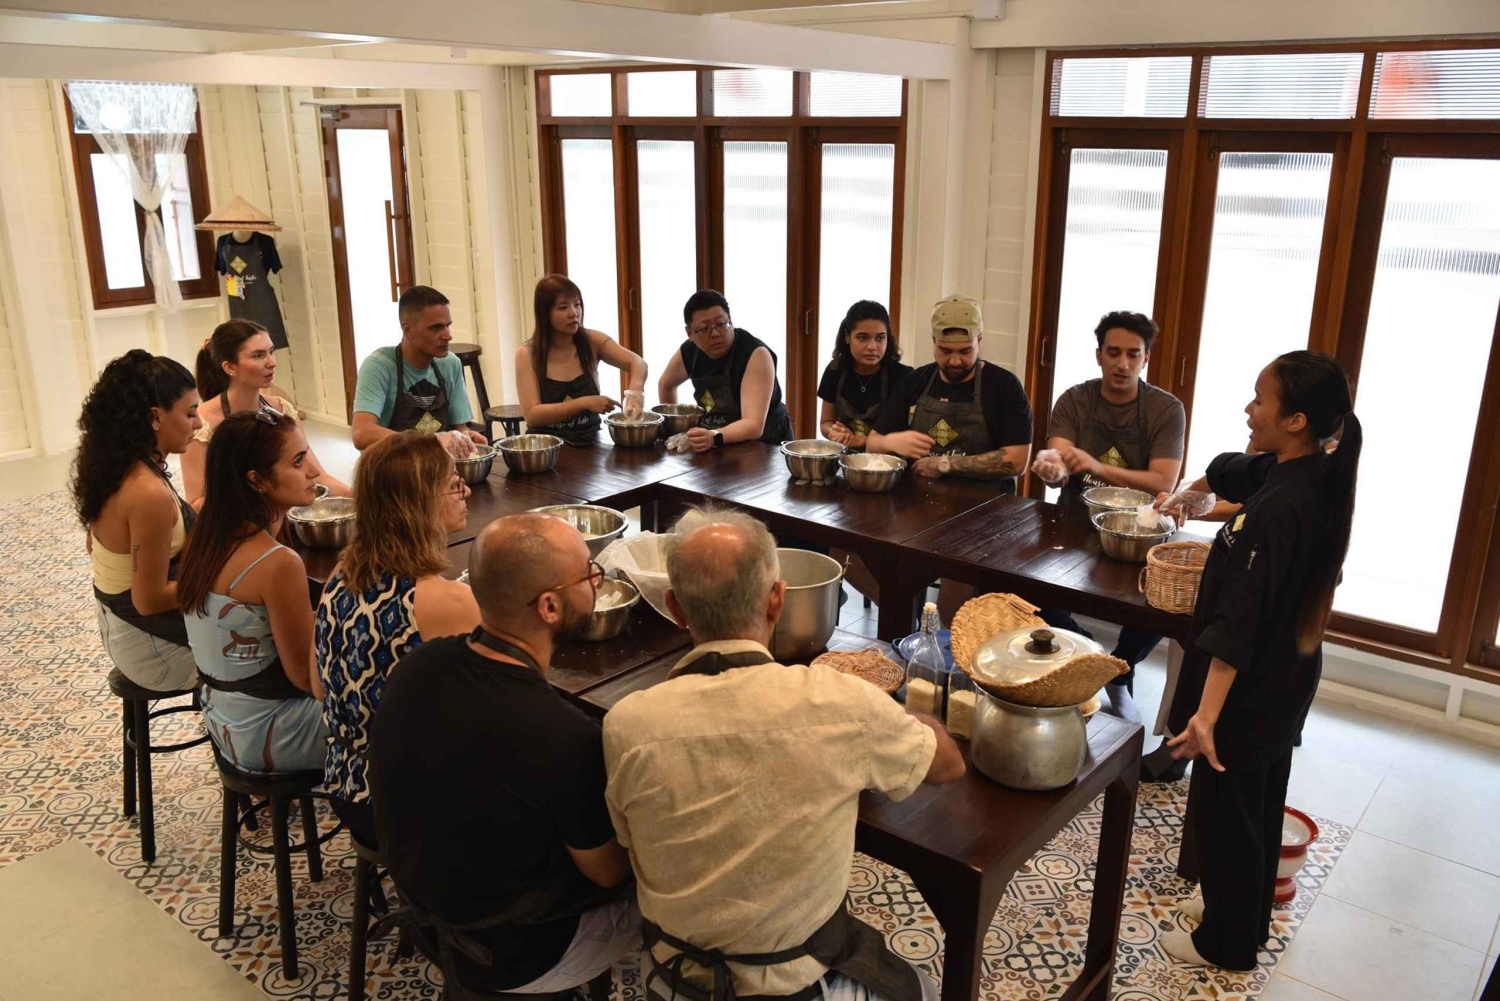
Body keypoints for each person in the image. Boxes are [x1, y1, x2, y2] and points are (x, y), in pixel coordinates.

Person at [602, 508, 964, 1001]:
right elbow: (947, 765)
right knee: (920, 986)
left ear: (675, 608)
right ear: (777, 600)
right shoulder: (843, 703)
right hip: (796, 984)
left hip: (673, 982)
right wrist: (904, 718)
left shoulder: (626, 723)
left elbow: (626, 848)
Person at [369, 514, 636, 993]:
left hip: (430, 918)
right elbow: (607, 871)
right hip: (521, 954)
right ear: (550, 607)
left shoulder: (417, 665)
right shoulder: (563, 733)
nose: (596, 581)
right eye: (588, 574)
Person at [1157, 351, 1362, 972]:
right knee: (1259, 802)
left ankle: (1227, 944)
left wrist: (1205, 717)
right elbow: (1231, 468)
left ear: (1296, 419)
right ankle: (1236, 907)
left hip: (1248, 689)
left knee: (1229, 814)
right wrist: (1195, 492)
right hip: (1287, 677)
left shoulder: (1279, 509)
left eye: (1259, 401)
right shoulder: (1307, 475)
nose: (1248, 411)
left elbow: (1236, 626)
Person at [309, 432, 481, 846]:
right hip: (410, 800)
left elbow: (318, 686)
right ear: (419, 504)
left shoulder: (341, 573)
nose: (466, 491)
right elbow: (495, 711)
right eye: (453, 484)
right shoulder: (444, 600)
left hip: (347, 786)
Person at [1030, 310, 1186, 725]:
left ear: (1146, 358)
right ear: (1098, 355)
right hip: (1075, 525)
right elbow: (1059, 457)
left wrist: (1096, 466)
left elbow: (1162, 481)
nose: (1122, 364)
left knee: (1165, 604)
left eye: (1133, 355)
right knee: (1022, 586)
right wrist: (1053, 467)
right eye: (1113, 353)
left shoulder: (1166, 410)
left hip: (1143, 534)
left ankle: (1120, 668)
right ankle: (1092, 655)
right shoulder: (1075, 400)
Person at [177, 411, 328, 773]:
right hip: (268, 733)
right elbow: (308, 680)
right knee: (406, 711)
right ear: (257, 480)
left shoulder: (206, 537)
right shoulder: (277, 564)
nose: (313, 471)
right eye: (297, 461)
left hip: (223, 720)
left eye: (307, 455)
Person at [75, 350, 202, 692]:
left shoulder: (114, 464)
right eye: (190, 413)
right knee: (269, 650)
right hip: (154, 653)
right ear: (155, 417)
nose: (199, 423)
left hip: (120, 631)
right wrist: (217, 578)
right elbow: (148, 600)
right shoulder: (147, 493)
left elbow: (96, 546)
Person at [867, 294, 1033, 492]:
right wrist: (891, 441)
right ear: (933, 340)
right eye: (945, 351)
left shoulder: (1004, 386)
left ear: (979, 341)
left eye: (965, 351)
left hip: (986, 508)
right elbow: (872, 445)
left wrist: (945, 464)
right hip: (919, 504)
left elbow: (1017, 461)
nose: (955, 361)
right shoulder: (915, 381)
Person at [183, 319, 348, 509]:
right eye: (258, 355)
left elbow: (318, 476)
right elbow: (196, 503)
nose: (272, 363)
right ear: (229, 367)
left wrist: (357, 496)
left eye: (271, 352)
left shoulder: (282, 409)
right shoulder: (201, 422)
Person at [350, 285, 489, 450]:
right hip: (389, 470)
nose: (448, 335)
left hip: (436, 467)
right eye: (436, 328)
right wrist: (431, 440)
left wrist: (464, 437)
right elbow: (361, 433)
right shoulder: (379, 367)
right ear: (408, 330)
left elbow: (459, 427)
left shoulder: (450, 364)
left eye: (448, 325)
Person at [516, 274, 648, 444]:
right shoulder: (527, 354)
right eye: (563, 308)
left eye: (577, 305)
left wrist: (634, 394)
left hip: (591, 443)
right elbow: (533, 415)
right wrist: (584, 403)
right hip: (546, 447)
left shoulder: (593, 342)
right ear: (544, 314)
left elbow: (638, 363)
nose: (573, 313)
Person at [657, 289, 793, 451]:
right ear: (690, 333)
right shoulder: (690, 351)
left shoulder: (755, 354)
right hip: (715, 442)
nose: (714, 334)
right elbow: (666, 384)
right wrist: (675, 430)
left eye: (721, 324)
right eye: (704, 328)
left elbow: (754, 425)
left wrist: (714, 436)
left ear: (731, 321)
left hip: (764, 446)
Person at [817, 300, 911, 450]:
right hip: (845, 460)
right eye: (863, 337)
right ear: (847, 337)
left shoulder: (903, 377)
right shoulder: (835, 370)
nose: (872, 347)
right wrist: (836, 433)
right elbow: (826, 422)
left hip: (888, 463)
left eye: (880, 338)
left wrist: (860, 440)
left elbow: (906, 437)